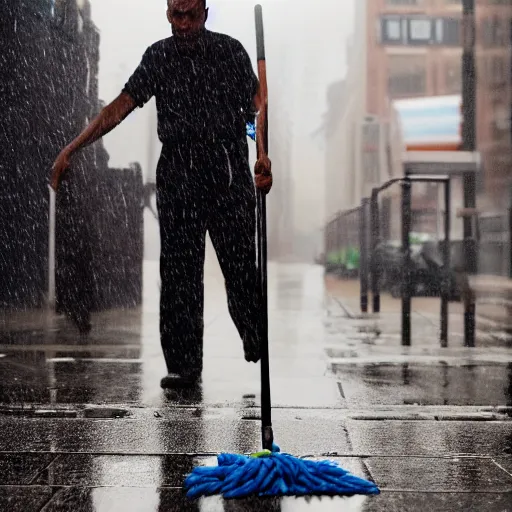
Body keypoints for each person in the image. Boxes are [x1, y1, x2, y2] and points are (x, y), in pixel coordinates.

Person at [50, 0, 273, 389]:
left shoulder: (229, 51)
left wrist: (262, 156)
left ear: (204, 12)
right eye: (175, 15)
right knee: (178, 276)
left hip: (226, 173)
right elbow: (118, 107)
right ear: (167, 13)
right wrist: (73, 147)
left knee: (240, 268)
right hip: (179, 175)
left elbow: (258, 108)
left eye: (190, 14)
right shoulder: (159, 56)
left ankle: (252, 332)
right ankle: (184, 366)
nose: (183, 24)